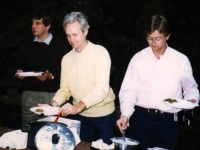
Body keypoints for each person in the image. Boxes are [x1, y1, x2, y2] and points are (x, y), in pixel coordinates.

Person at [116, 14, 199, 150]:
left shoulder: (180, 60)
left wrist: (191, 100)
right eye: (149, 38)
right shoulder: (139, 58)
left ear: (168, 36)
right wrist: (125, 115)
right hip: (141, 119)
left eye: (158, 39)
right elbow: (128, 91)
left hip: (167, 121)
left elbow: (191, 89)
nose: (153, 43)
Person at [45, 11, 116, 145]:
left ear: (85, 31)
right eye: (68, 35)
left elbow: (101, 89)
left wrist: (77, 107)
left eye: (75, 34)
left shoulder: (100, 53)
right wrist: (52, 105)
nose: (71, 40)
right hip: (80, 118)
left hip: (103, 118)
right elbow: (65, 89)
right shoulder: (66, 59)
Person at [15, 11, 69, 130]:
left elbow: (67, 73)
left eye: (38, 23)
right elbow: (19, 65)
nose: (33, 26)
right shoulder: (26, 43)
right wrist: (20, 72)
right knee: (28, 131)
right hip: (29, 95)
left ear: (47, 26)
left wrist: (51, 76)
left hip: (51, 95)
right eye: (32, 23)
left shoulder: (60, 45)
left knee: (50, 131)